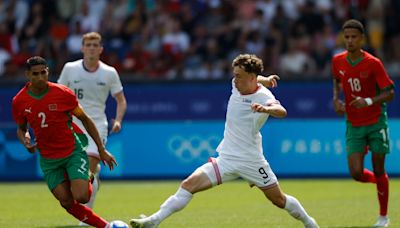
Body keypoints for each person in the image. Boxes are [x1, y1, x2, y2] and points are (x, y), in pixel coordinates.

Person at [130, 54, 319, 228]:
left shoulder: (264, 97)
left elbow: (282, 111)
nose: (235, 80)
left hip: (251, 160)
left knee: (279, 200)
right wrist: (267, 79)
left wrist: (265, 109)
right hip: (226, 159)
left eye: (239, 76)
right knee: (188, 184)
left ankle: (309, 222)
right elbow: (256, 79)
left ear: (251, 77)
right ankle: (153, 221)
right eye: (234, 75)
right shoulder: (237, 85)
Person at [11, 56, 117, 228]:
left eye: (43, 73)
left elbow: (85, 119)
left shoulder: (62, 93)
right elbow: (21, 128)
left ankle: (89, 175)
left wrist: (101, 149)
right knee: (67, 201)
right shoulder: (19, 101)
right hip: (49, 160)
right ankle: (106, 226)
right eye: (35, 74)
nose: (40, 78)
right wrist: (26, 141)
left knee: (82, 197)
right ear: (27, 75)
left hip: (71, 152)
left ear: (48, 72)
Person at [57, 32, 127, 225]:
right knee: (76, 177)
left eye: (95, 45)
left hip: (97, 126)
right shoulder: (70, 69)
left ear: (101, 49)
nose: (92, 48)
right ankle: (93, 184)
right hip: (73, 125)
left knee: (89, 168)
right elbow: (58, 95)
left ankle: (87, 218)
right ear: (82, 48)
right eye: (88, 44)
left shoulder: (109, 72)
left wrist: (118, 120)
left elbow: (120, 100)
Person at [332, 19, 394, 227]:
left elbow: (390, 93)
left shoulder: (373, 63)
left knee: (378, 168)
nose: (349, 41)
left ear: (362, 39)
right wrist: (336, 99)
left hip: (376, 121)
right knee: (356, 173)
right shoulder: (338, 61)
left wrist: (368, 101)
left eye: (353, 37)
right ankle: (382, 184)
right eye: (346, 37)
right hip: (353, 122)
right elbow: (336, 79)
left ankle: (383, 217)